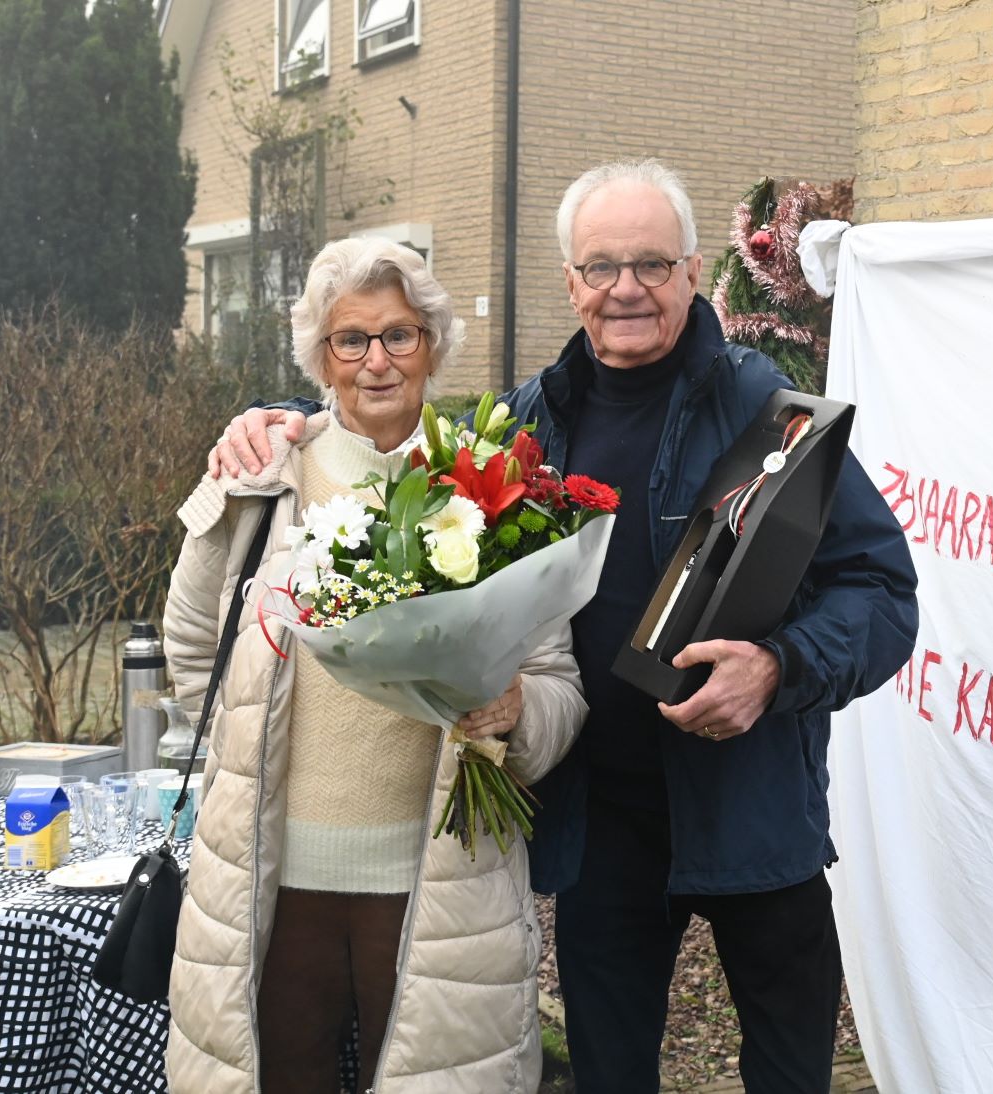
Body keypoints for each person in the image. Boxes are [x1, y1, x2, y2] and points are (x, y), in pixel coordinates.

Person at [208, 160, 918, 1094]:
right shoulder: (528, 421)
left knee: (789, 1073)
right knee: (608, 1073)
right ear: (570, 283)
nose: (626, 288)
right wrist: (289, 419)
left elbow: (881, 589)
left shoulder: (766, 411)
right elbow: (395, 443)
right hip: (601, 828)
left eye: (653, 265)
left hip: (753, 813)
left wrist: (778, 668)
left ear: (695, 273)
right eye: (602, 266)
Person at [167, 237, 585, 1094]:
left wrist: (513, 710)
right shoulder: (260, 476)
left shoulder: (494, 487)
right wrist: (233, 766)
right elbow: (188, 648)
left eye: (400, 335)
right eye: (349, 340)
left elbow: (560, 691)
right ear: (321, 357)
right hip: (274, 887)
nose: (376, 361)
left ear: (433, 343)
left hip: (435, 886)